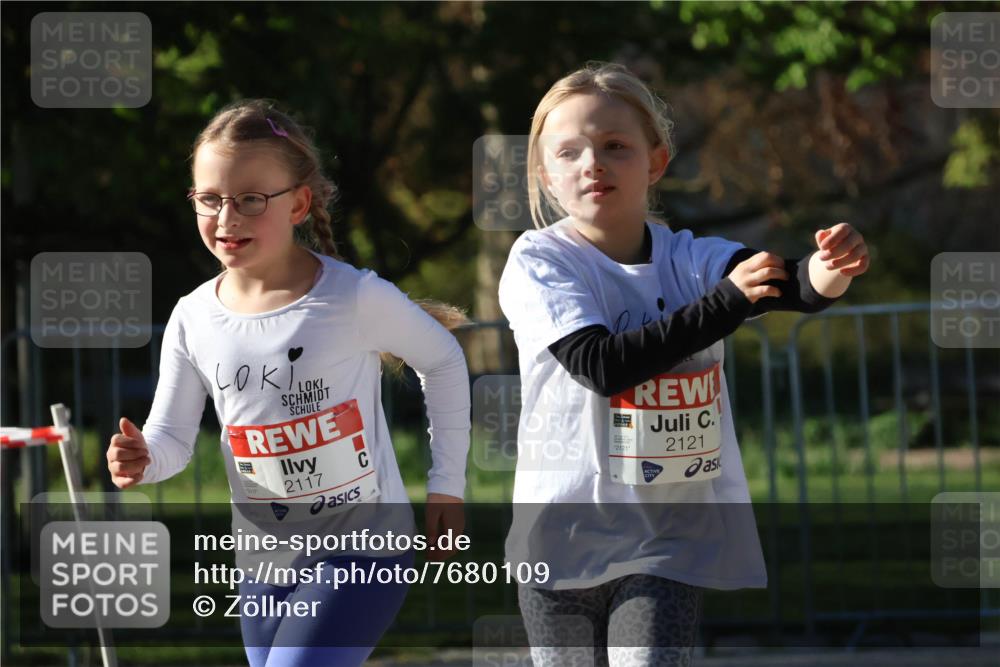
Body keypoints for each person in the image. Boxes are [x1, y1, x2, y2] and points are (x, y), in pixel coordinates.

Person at [498, 62, 870, 666]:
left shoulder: (691, 257)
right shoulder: (540, 260)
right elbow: (600, 365)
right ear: (545, 176)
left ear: (656, 161)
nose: (592, 163)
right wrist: (725, 306)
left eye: (615, 146)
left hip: (666, 540)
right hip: (561, 538)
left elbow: (789, 285)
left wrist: (831, 269)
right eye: (570, 152)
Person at [105, 99, 471, 667]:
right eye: (210, 199)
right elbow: (172, 441)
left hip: (366, 550)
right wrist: (142, 459)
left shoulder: (352, 295)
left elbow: (444, 360)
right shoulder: (193, 316)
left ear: (299, 203)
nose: (227, 219)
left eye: (251, 199)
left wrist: (447, 483)